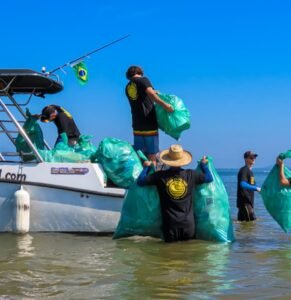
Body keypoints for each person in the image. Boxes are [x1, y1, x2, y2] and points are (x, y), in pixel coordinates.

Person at [137, 144, 213, 243]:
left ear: (168, 160)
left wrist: (146, 168)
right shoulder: (191, 174)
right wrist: (203, 165)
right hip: (188, 225)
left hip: (169, 224)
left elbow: (140, 181)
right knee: (188, 254)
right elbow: (209, 178)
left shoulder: (160, 176)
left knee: (169, 255)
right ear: (182, 160)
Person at [125, 65, 174, 164]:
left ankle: (142, 176)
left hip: (137, 124)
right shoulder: (143, 80)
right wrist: (166, 105)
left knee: (140, 154)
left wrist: (153, 91)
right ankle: (152, 177)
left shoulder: (128, 86)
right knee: (152, 154)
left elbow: (141, 95)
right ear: (140, 72)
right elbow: (151, 94)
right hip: (148, 122)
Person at [237, 150, 261, 222]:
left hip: (248, 202)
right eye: (251, 157)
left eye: (254, 157)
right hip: (245, 202)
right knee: (252, 224)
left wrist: (263, 190)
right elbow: (243, 184)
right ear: (246, 159)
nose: (253, 159)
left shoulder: (250, 172)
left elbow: (253, 185)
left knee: (243, 225)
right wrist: (256, 188)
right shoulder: (244, 170)